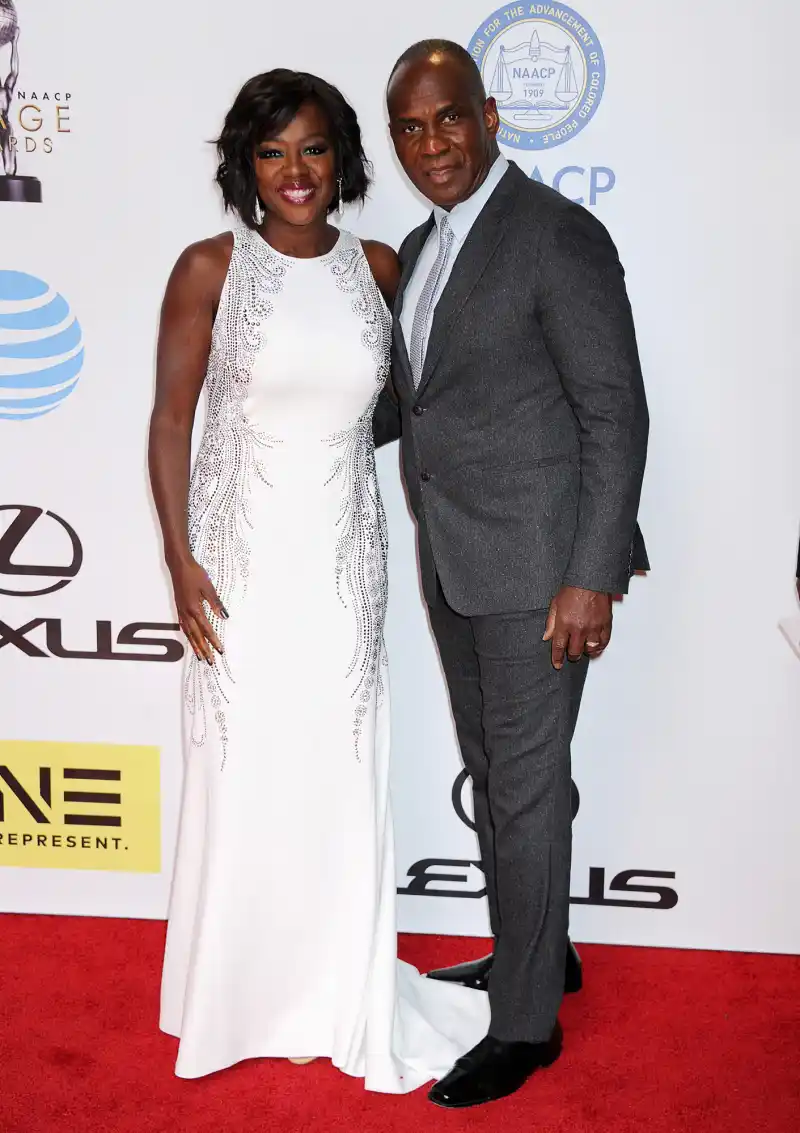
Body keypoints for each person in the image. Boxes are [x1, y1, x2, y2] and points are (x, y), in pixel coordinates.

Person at [149, 68, 488, 1093]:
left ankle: (337, 988)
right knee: (248, 778)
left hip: (342, 568)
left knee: (334, 782)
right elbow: (171, 421)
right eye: (271, 151)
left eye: (311, 148)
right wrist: (178, 556)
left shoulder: (378, 266)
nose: (294, 171)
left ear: (340, 158)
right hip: (242, 569)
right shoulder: (211, 267)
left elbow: (421, 407)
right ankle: (238, 995)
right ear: (244, 165)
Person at [381, 41, 650, 1108]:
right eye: (409, 128)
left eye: (447, 119)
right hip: (456, 560)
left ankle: (526, 1023)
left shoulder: (555, 233)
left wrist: (590, 576)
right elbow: (422, 403)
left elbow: (613, 411)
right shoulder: (420, 243)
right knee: (500, 780)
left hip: (542, 571)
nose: (431, 144)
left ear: (488, 116)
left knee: (525, 791)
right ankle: (539, 951)